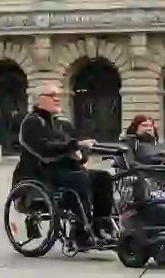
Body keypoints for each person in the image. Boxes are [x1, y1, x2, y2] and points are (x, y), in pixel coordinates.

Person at [13, 82, 116, 243]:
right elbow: (43, 150)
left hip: (65, 171)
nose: (57, 99)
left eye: (58, 96)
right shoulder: (31, 123)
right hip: (41, 175)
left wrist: (82, 154)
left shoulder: (63, 124)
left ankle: (100, 224)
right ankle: (80, 231)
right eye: (51, 96)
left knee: (103, 177)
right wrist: (75, 145)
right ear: (38, 101)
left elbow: (74, 152)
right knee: (79, 180)